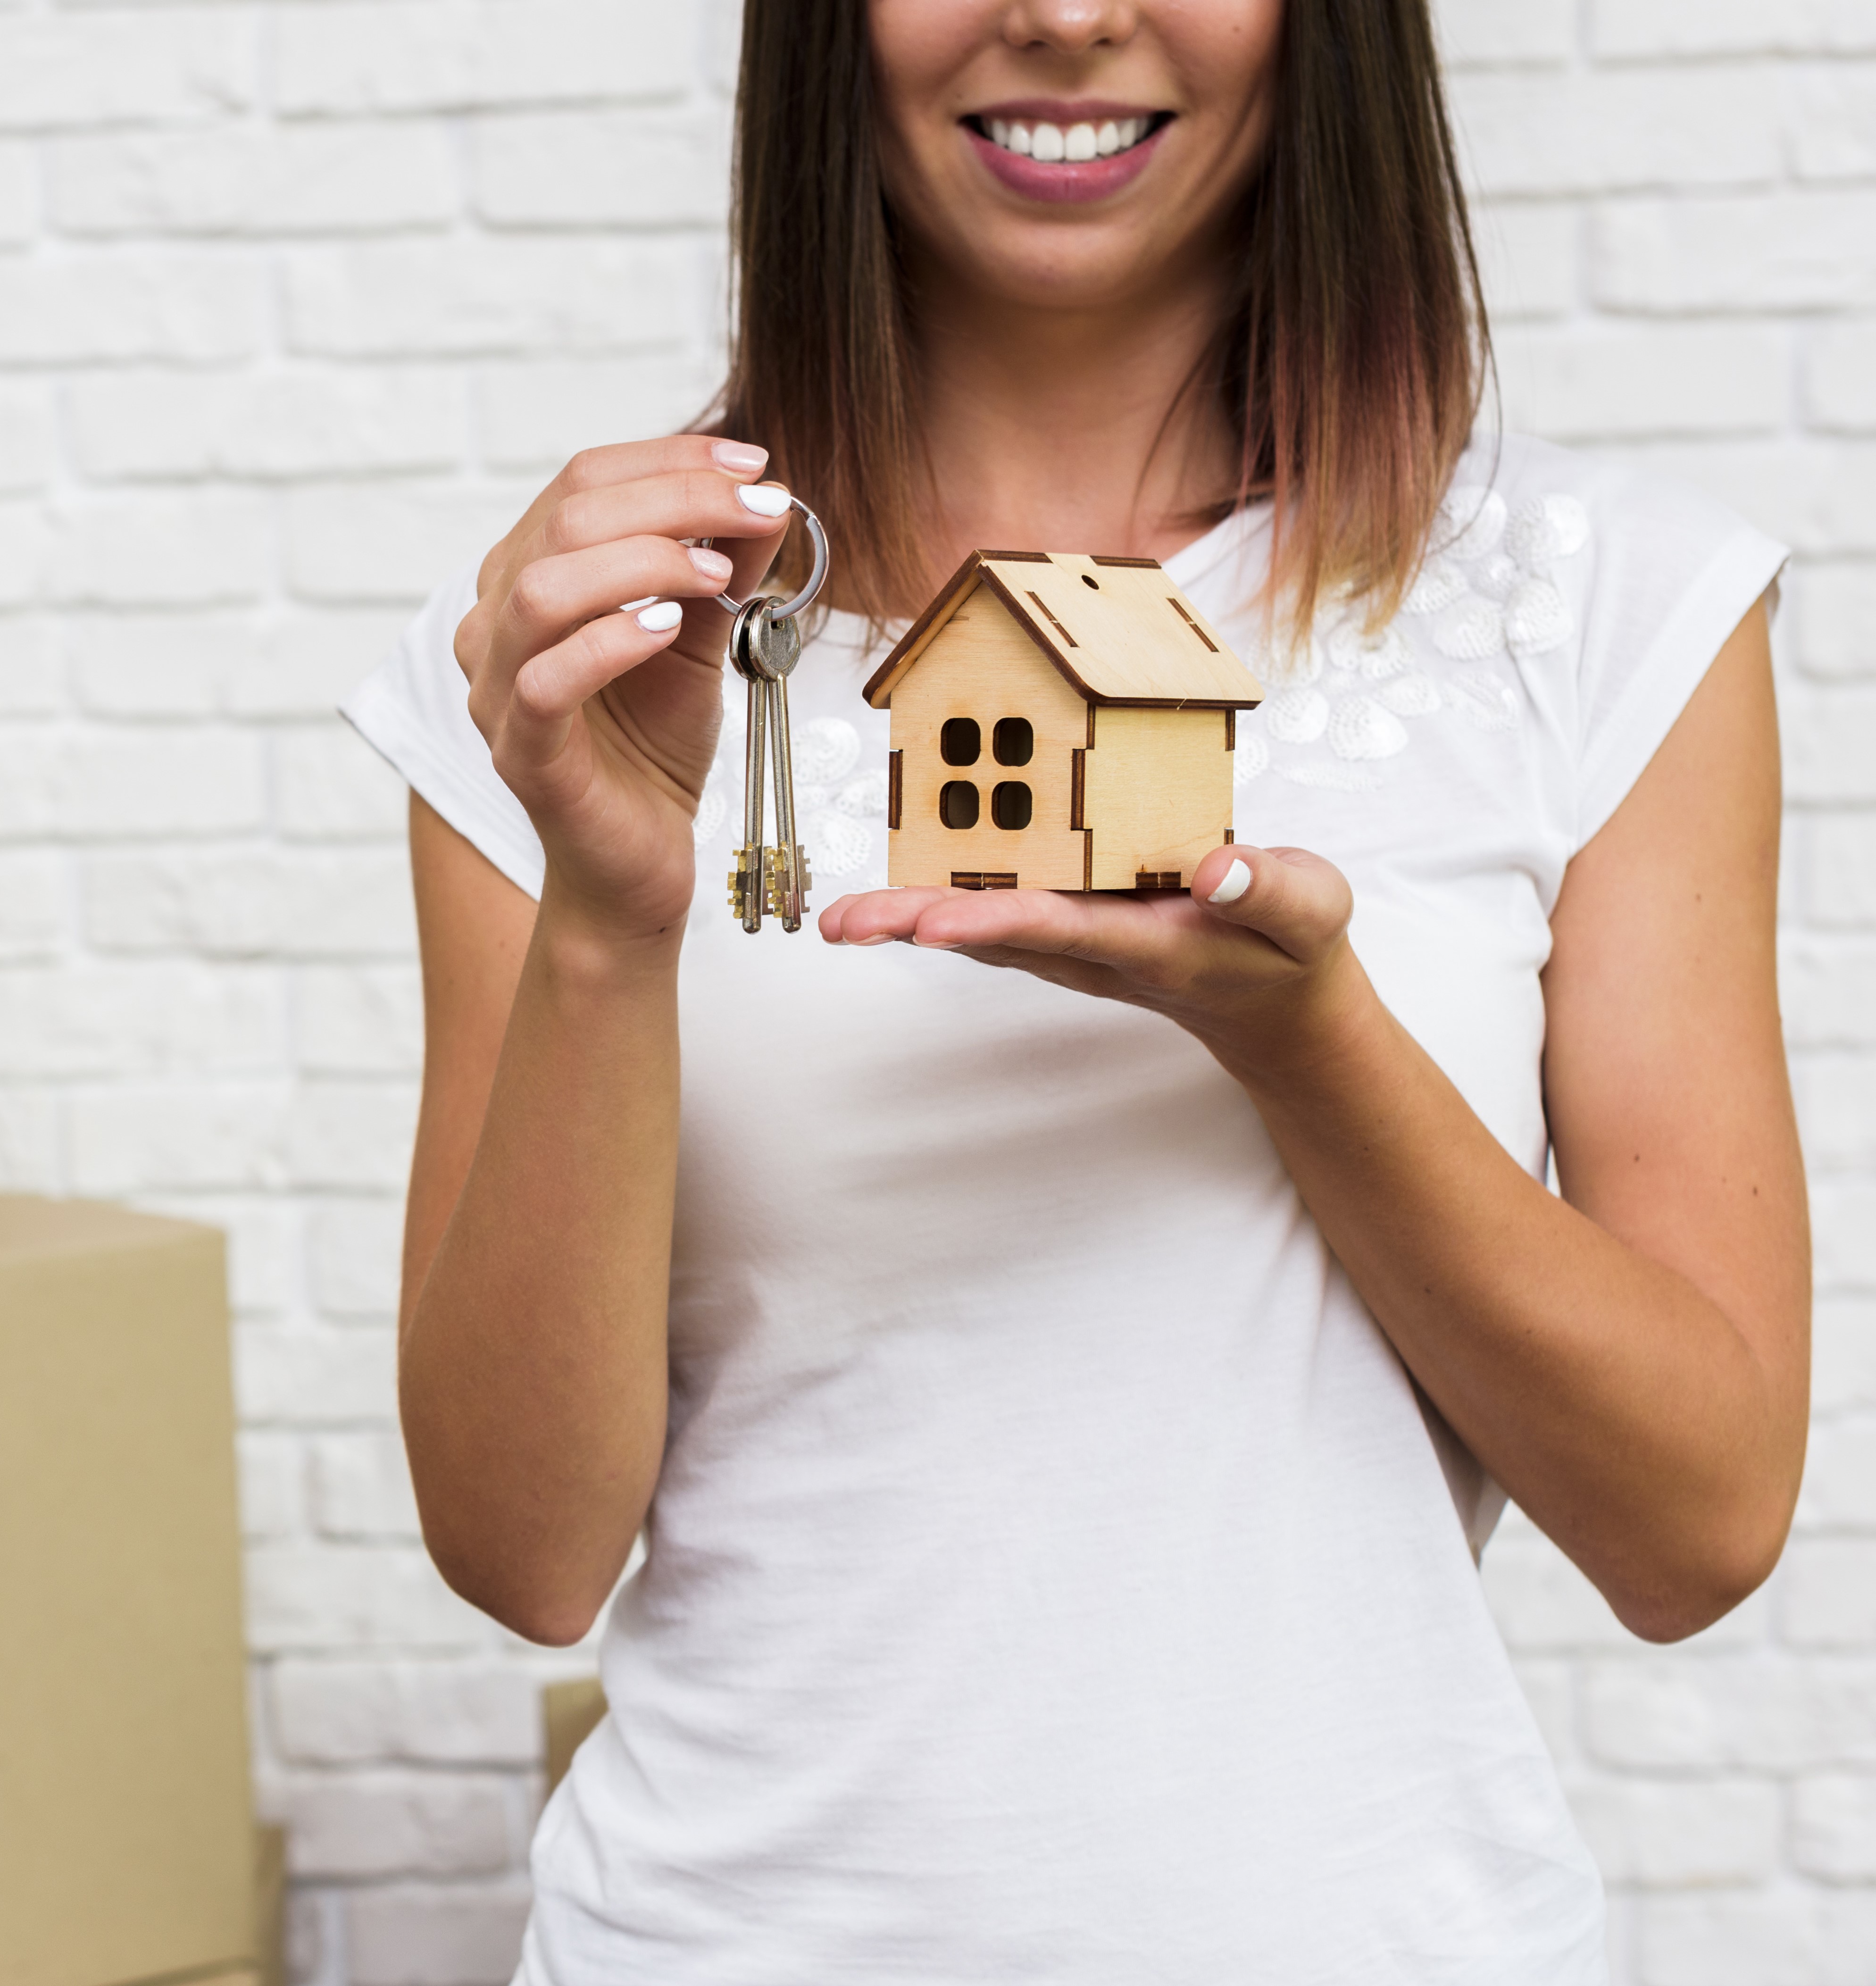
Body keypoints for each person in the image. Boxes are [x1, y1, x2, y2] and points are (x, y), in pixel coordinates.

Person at [336, 0, 1811, 1975]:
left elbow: (1694, 1526)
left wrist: (1308, 1045)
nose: (1063, 14)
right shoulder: (595, 643)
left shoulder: (1600, 609)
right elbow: (522, 1557)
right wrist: (611, 916)